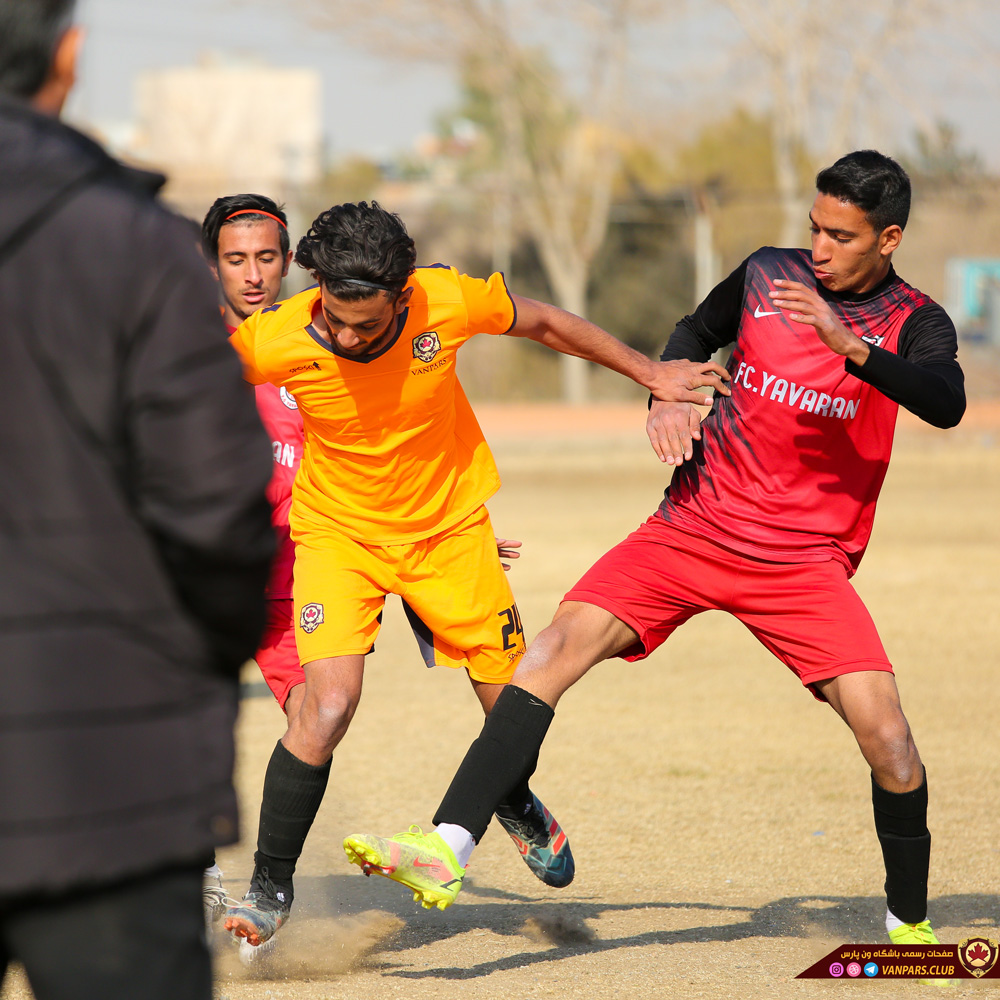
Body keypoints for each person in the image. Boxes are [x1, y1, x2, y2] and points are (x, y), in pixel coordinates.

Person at [345, 152, 965, 961]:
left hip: (801, 562)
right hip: (692, 527)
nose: (818, 246)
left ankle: (908, 928)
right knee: (554, 650)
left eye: (841, 236)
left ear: (888, 239)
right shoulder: (765, 274)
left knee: (890, 742)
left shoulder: (915, 320)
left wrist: (850, 347)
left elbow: (946, 403)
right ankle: (446, 847)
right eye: (815, 226)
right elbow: (690, 336)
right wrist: (663, 398)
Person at [223, 200, 729, 946]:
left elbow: (548, 324)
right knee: (325, 709)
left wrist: (650, 372)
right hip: (338, 537)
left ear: (404, 294)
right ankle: (269, 888)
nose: (350, 336)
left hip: (449, 531)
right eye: (336, 320)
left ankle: (512, 798)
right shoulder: (273, 340)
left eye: (368, 323)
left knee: (515, 702)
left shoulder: (446, 299)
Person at [0, 2, 275, 999]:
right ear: (67, 57)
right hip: (105, 769)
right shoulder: (138, 244)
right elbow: (219, 506)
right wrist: (198, 656)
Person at [197, 195, 527, 932]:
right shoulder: (204, 358)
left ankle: (269, 893)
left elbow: (391, 456)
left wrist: (454, 531)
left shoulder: (310, 346)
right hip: (207, 579)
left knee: (321, 716)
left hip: (296, 576)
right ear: (209, 264)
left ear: (291, 265)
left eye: (266, 258)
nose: (252, 274)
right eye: (234, 259)